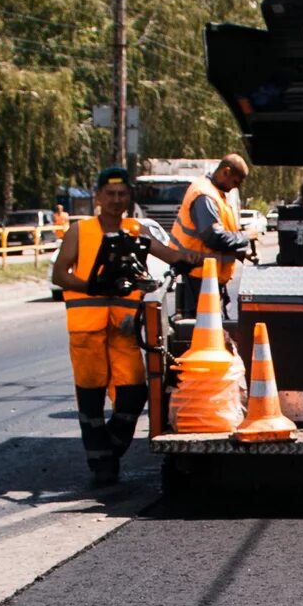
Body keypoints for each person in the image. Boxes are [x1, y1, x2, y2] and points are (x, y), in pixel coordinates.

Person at [49, 167, 191, 485]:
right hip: (87, 331)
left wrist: (194, 257)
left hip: (124, 330)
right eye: (110, 194)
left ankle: (109, 449)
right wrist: (92, 287)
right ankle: (102, 466)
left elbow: (168, 255)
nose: (116, 200)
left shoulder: (136, 231)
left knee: (133, 394)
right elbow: (60, 275)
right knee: (91, 400)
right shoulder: (80, 232)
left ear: (129, 198)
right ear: (98, 197)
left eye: (122, 194)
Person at [168, 153, 258, 334]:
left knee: (213, 331)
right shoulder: (205, 196)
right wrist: (245, 236)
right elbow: (213, 238)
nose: (235, 188)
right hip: (199, 277)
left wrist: (239, 253)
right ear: (225, 172)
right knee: (204, 333)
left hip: (207, 278)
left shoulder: (215, 194)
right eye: (235, 182)